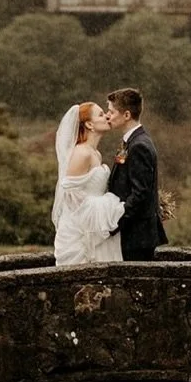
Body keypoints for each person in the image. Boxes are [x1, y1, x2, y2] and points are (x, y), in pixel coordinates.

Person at [52, 100, 124, 266]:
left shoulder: (95, 154)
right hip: (80, 231)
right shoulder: (81, 153)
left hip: (94, 225)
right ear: (90, 124)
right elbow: (70, 194)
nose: (107, 116)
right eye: (100, 114)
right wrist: (106, 208)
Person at [104, 87, 167, 260]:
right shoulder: (132, 141)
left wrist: (115, 222)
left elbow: (140, 193)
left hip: (137, 235)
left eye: (111, 111)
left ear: (126, 115)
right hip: (134, 234)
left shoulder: (139, 146)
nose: (107, 116)